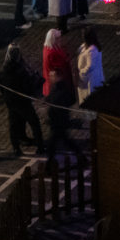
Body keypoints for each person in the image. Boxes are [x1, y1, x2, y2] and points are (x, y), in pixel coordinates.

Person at [0, 43, 44, 156]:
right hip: (22, 102)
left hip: (11, 101)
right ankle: (40, 146)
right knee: (34, 122)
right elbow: (27, 86)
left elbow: (0, 86)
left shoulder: (4, 70)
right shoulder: (20, 71)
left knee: (14, 123)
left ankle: (16, 147)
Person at [40, 28, 76, 159]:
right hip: (57, 86)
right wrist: (67, 57)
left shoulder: (50, 48)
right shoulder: (52, 52)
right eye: (58, 38)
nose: (60, 40)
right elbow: (60, 66)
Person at [76, 25, 105, 104]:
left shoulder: (92, 50)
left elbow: (90, 66)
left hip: (90, 79)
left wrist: (82, 72)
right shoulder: (84, 46)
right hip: (86, 78)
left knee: (90, 98)